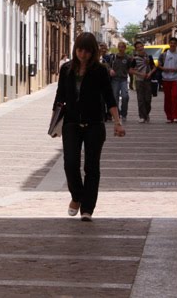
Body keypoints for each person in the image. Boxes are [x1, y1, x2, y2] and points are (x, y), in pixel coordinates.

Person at [54, 32, 125, 222]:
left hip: (94, 123)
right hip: (71, 123)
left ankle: (87, 208)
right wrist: (55, 124)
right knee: (70, 164)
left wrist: (117, 123)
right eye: (79, 50)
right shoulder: (66, 69)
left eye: (86, 51)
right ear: (75, 49)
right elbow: (59, 97)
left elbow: (110, 98)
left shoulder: (100, 71)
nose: (82, 54)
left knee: (91, 167)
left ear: (92, 52)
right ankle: (77, 196)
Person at [159, 37, 177, 123]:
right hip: (166, 79)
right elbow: (159, 65)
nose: (172, 44)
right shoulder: (163, 55)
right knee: (167, 98)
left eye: (174, 43)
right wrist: (164, 69)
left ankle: (176, 117)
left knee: (175, 97)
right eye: (171, 43)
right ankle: (169, 116)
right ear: (169, 44)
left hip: (176, 79)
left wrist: (176, 70)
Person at [129, 41, 155, 123]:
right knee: (140, 99)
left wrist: (150, 73)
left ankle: (146, 114)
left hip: (148, 80)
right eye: (138, 47)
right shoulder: (135, 59)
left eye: (141, 46)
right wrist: (140, 74)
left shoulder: (149, 57)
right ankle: (142, 116)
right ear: (136, 49)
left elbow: (154, 67)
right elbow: (130, 70)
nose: (140, 48)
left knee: (148, 99)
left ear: (143, 47)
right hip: (139, 80)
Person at [107, 42, 131, 124]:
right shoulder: (113, 57)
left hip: (124, 80)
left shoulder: (128, 58)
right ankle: (117, 114)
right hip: (115, 80)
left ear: (125, 48)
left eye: (122, 47)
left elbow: (130, 68)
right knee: (115, 98)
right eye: (119, 47)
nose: (121, 48)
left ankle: (124, 114)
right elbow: (108, 65)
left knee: (125, 97)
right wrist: (110, 70)